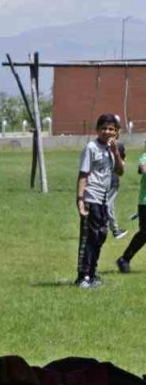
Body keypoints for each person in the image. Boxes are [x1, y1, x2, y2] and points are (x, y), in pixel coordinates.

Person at [76, 113, 125, 288]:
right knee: (90, 237)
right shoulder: (91, 147)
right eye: (103, 128)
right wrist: (80, 200)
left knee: (101, 236)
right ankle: (83, 276)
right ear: (97, 129)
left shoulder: (114, 149)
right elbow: (83, 174)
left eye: (111, 129)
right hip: (91, 196)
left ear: (116, 132)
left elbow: (120, 172)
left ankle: (92, 273)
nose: (107, 132)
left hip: (105, 200)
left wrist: (115, 153)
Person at [115, 137, 146, 273]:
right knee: (144, 234)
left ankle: (124, 259)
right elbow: (143, 168)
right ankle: (124, 259)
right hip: (145, 202)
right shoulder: (145, 157)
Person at [108, 115, 128, 240]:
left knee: (108, 204)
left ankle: (114, 230)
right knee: (107, 205)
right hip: (104, 180)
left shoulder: (119, 146)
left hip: (113, 179)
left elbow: (123, 161)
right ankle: (114, 230)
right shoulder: (101, 144)